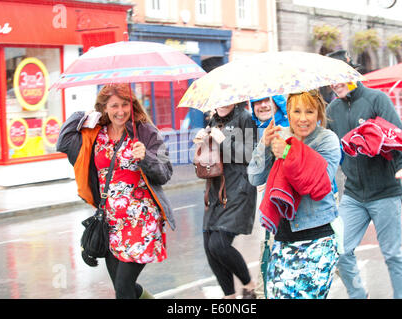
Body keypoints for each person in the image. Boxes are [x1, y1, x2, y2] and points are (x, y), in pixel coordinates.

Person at [56, 83, 175, 299]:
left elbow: (165, 173)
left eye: (124, 104)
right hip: (110, 222)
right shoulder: (94, 134)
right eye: (114, 106)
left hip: (141, 221)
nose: (120, 111)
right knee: (125, 289)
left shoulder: (145, 132)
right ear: (104, 108)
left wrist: (145, 158)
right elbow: (63, 142)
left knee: (123, 287)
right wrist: (84, 114)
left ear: (132, 105)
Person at [326, 50, 402, 299]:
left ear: (352, 72)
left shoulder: (377, 99)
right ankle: (358, 295)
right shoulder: (332, 109)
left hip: (385, 192)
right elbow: (324, 147)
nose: (335, 83)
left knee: (392, 254)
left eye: (340, 76)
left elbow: (397, 136)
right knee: (340, 250)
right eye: (330, 78)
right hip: (354, 194)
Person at [255, 90, 341, 299]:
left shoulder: (327, 140)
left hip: (317, 238)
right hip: (283, 239)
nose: (303, 118)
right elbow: (255, 178)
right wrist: (264, 146)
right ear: (289, 113)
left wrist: (287, 152)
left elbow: (318, 183)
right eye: (297, 111)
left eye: (309, 112)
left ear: (319, 114)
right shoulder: (278, 134)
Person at [202, 101, 258, 299]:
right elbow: (209, 159)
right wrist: (202, 142)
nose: (222, 103)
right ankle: (229, 296)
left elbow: (249, 154)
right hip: (216, 190)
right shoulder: (213, 121)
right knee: (209, 245)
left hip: (239, 189)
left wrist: (222, 139)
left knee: (219, 244)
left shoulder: (244, 118)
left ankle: (249, 284)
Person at [247, 95, 289, 299]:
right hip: (272, 207)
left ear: (277, 103)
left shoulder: (290, 125)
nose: (262, 105)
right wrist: (263, 146)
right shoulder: (257, 130)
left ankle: (357, 291)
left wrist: (284, 149)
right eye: (256, 102)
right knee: (269, 255)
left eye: (266, 101)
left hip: (299, 207)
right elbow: (254, 176)